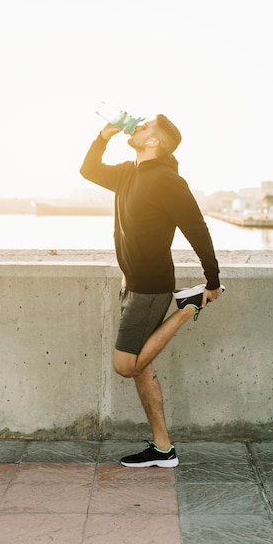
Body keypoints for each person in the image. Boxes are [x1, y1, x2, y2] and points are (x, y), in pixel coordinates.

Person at [80, 113, 224, 467]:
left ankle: (189, 306)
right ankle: (163, 449)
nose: (137, 127)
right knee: (142, 367)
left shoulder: (166, 180)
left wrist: (212, 282)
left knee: (125, 365)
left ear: (153, 142)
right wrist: (104, 134)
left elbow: (197, 228)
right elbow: (88, 169)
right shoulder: (129, 173)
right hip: (132, 284)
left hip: (150, 289)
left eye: (144, 127)